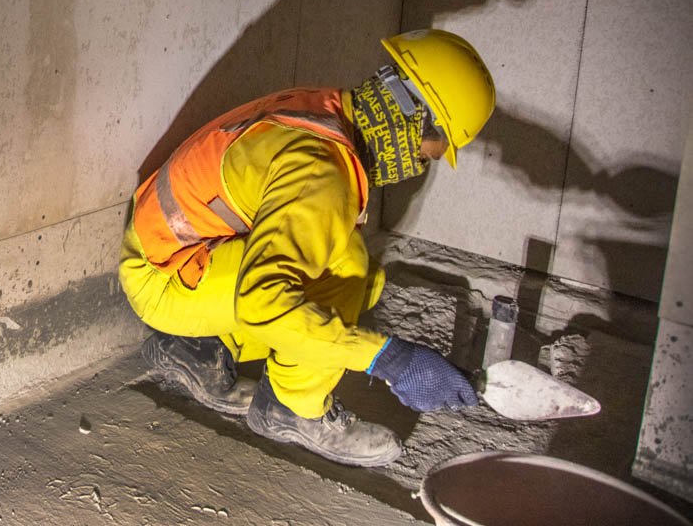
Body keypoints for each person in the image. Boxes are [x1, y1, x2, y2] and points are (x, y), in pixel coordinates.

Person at [119, 28, 492, 467]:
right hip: (164, 278)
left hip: (167, 251)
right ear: (415, 115)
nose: (425, 161)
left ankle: (205, 348)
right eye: (434, 148)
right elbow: (264, 302)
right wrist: (389, 359)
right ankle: (293, 407)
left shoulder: (329, 108)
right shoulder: (323, 173)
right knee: (346, 270)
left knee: (349, 265)